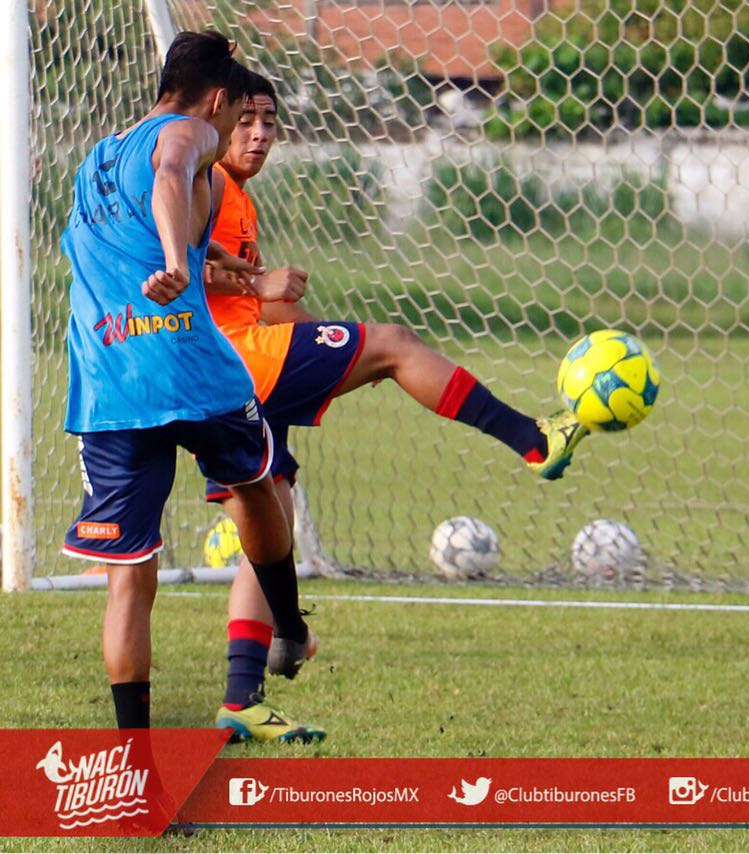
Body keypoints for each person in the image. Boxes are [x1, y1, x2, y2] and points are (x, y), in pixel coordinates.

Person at [201, 71, 589, 743]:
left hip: (227, 378)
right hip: (237, 367)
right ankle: (534, 439)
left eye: (270, 120)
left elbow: (268, 305)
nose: (260, 133)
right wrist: (357, 352)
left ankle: (243, 695)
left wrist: (338, 360)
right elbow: (174, 260)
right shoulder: (206, 182)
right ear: (217, 117)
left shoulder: (232, 192)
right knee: (397, 344)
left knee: (274, 519)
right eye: (246, 120)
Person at [60, 31, 315, 731]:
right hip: (188, 367)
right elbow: (174, 166)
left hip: (108, 381)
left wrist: (212, 265)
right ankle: (289, 625)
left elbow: (113, 241)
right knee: (262, 480)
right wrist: (178, 261)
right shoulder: (189, 131)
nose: (235, 133)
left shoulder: (97, 160)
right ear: (217, 101)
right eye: (237, 118)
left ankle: (134, 767)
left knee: (129, 576)